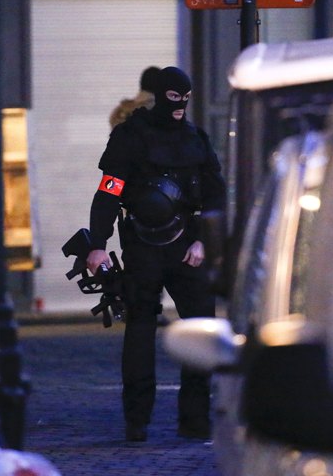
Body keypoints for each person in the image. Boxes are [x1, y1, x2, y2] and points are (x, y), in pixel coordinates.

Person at [86, 66, 226, 442]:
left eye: (186, 98)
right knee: (140, 331)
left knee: (201, 331)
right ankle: (137, 420)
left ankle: (195, 421)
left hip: (188, 248)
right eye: (173, 98)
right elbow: (109, 192)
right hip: (142, 246)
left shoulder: (196, 139)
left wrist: (204, 243)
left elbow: (215, 197)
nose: (179, 106)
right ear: (161, 96)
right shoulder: (130, 137)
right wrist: (97, 245)